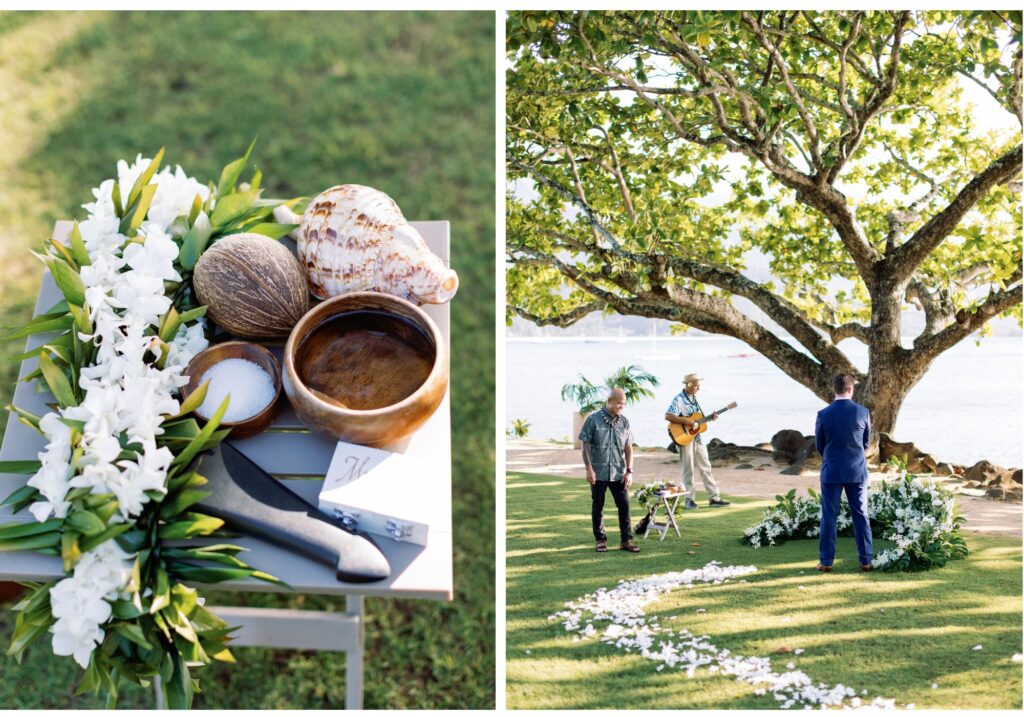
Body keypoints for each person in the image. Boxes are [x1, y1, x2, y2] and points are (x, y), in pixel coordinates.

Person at [814, 373, 874, 573]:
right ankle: (866, 561)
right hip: (856, 470)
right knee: (861, 514)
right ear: (851, 389)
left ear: (834, 389)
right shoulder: (863, 412)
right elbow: (865, 443)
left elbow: (819, 445)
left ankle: (826, 562)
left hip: (831, 470)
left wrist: (832, 456)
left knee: (829, 516)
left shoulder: (823, 414)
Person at [579, 388, 640, 553]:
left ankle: (626, 541)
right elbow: (584, 446)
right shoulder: (593, 420)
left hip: (619, 472)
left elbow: (628, 448)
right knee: (598, 506)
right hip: (598, 472)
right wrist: (588, 469)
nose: (621, 406)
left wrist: (629, 471)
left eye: (624, 404)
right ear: (609, 401)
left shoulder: (625, 422)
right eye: (619, 403)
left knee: (624, 506)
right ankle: (600, 539)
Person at [664, 373, 730, 509]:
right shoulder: (679, 399)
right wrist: (687, 421)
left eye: (699, 386)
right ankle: (689, 500)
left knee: (706, 467)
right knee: (688, 470)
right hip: (684, 438)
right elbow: (668, 415)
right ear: (689, 385)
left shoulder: (694, 399)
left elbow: (698, 420)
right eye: (696, 386)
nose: (698, 388)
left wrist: (710, 417)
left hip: (697, 438)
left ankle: (714, 498)